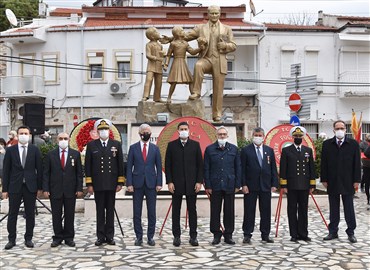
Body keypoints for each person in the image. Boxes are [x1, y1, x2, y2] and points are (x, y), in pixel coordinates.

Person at [185, 5, 236, 122]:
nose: (214, 16)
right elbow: (186, 36)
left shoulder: (227, 29)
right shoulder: (201, 28)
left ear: (219, 14)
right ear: (207, 14)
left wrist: (225, 46)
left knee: (218, 89)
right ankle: (196, 92)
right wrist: (174, 36)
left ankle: (217, 114)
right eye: (212, 13)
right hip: (206, 58)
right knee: (198, 65)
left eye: (216, 13)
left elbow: (233, 45)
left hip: (219, 59)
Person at [85, 119, 125, 246]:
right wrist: (89, 184)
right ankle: (100, 236)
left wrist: (120, 182)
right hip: (98, 184)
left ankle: (110, 236)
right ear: (97, 132)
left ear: (109, 131)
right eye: (101, 130)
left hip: (111, 184)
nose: (104, 132)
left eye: (106, 129)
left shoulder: (116, 144)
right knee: (100, 211)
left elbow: (120, 164)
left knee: (110, 210)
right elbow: (88, 166)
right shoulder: (92, 145)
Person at [2, 126, 43, 250]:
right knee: (12, 213)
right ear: (17, 135)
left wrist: (40, 187)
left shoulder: (34, 150)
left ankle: (28, 238)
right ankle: (11, 239)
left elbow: (39, 170)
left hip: (30, 186)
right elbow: (6, 171)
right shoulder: (10, 150)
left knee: (30, 214)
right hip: (15, 186)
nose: (23, 135)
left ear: (29, 134)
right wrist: (4, 189)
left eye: (26, 133)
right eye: (21, 133)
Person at [321, 120, 361, 243]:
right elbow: (324, 163)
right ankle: (333, 231)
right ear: (333, 130)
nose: (340, 130)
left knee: (349, 207)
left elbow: (356, 164)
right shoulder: (327, 144)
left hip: (348, 181)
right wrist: (324, 178)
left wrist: (356, 180)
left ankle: (351, 232)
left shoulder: (353, 144)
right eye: (337, 128)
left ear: (345, 130)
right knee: (334, 208)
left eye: (342, 128)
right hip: (332, 180)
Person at [165, 121, 203, 247]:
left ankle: (193, 236)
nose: (183, 130)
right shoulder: (171, 145)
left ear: (189, 130)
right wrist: (169, 182)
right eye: (181, 129)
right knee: (176, 210)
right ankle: (176, 236)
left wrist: (199, 182)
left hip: (192, 184)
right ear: (178, 131)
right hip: (176, 184)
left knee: (192, 210)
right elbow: (168, 165)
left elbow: (200, 166)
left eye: (185, 128)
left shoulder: (195, 145)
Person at [43, 132, 83, 247]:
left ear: (69, 139)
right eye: (61, 138)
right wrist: (46, 188)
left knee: (70, 215)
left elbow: (79, 173)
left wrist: (79, 188)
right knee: (56, 215)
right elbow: (46, 173)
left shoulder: (75, 154)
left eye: (65, 138)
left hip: (70, 190)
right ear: (57, 140)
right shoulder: (50, 155)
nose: (63, 140)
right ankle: (57, 237)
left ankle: (69, 237)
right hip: (55, 190)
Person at [126, 124, 162, 246]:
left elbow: (158, 166)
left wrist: (159, 183)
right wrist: (129, 183)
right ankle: (139, 237)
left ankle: (150, 237)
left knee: (151, 212)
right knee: (137, 212)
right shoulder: (133, 148)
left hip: (151, 184)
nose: (146, 133)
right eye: (144, 131)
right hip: (137, 184)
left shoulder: (155, 149)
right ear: (140, 133)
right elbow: (129, 167)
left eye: (148, 131)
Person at [204, 126, 241, 245]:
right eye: (220, 134)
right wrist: (208, 185)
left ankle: (228, 234)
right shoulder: (209, 149)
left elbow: (238, 168)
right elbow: (206, 168)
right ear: (216, 135)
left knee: (229, 211)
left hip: (230, 184)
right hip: (215, 184)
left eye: (224, 134)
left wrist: (238, 184)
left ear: (227, 136)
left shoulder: (234, 149)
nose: (222, 136)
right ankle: (216, 234)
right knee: (215, 210)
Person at [241, 127, 278, 244]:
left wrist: (274, 183)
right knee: (249, 211)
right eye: (256, 135)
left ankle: (265, 234)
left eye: (260, 135)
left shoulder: (269, 150)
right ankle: (247, 234)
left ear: (263, 137)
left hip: (265, 186)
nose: (258, 137)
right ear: (252, 136)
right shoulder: (246, 150)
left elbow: (273, 168)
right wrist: (243, 184)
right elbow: (242, 169)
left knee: (266, 211)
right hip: (250, 186)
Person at [280, 126, 316, 243]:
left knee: (303, 210)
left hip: (304, 185)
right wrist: (284, 185)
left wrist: (312, 185)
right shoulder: (286, 150)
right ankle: (294, 234)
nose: (298, 138)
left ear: (303, 137)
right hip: (291, 186)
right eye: (296, 136)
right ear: (292, 137)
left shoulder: (307, 150)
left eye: (300, 136)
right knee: (292, 210)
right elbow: (283, 168)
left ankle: (303, 233)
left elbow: (311, 168)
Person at [163, 26, 202, 104]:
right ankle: (169, 97)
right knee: (174, 81)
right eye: (182, 31)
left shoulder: (185, 43)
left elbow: (192, 52)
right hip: (176, 62)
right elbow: (168, 55)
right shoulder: (173, 43)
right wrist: (166, 64)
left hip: (183, 63)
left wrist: (200, 48)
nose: (184, 32)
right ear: (178, 34)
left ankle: (193, 95)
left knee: (190, 80)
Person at [142, 27, 166, 103]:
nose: (158, 33)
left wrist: (163, 63)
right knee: (149, 80)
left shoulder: (160, 45)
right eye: (156, 32)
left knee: (159, 83)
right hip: (151, 66)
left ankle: (157, 97)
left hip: (159, 67)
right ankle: (145, 96)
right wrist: (156, 58)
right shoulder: (148, 45)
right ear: (152, 36)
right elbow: (148, 55)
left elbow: (162, 57)